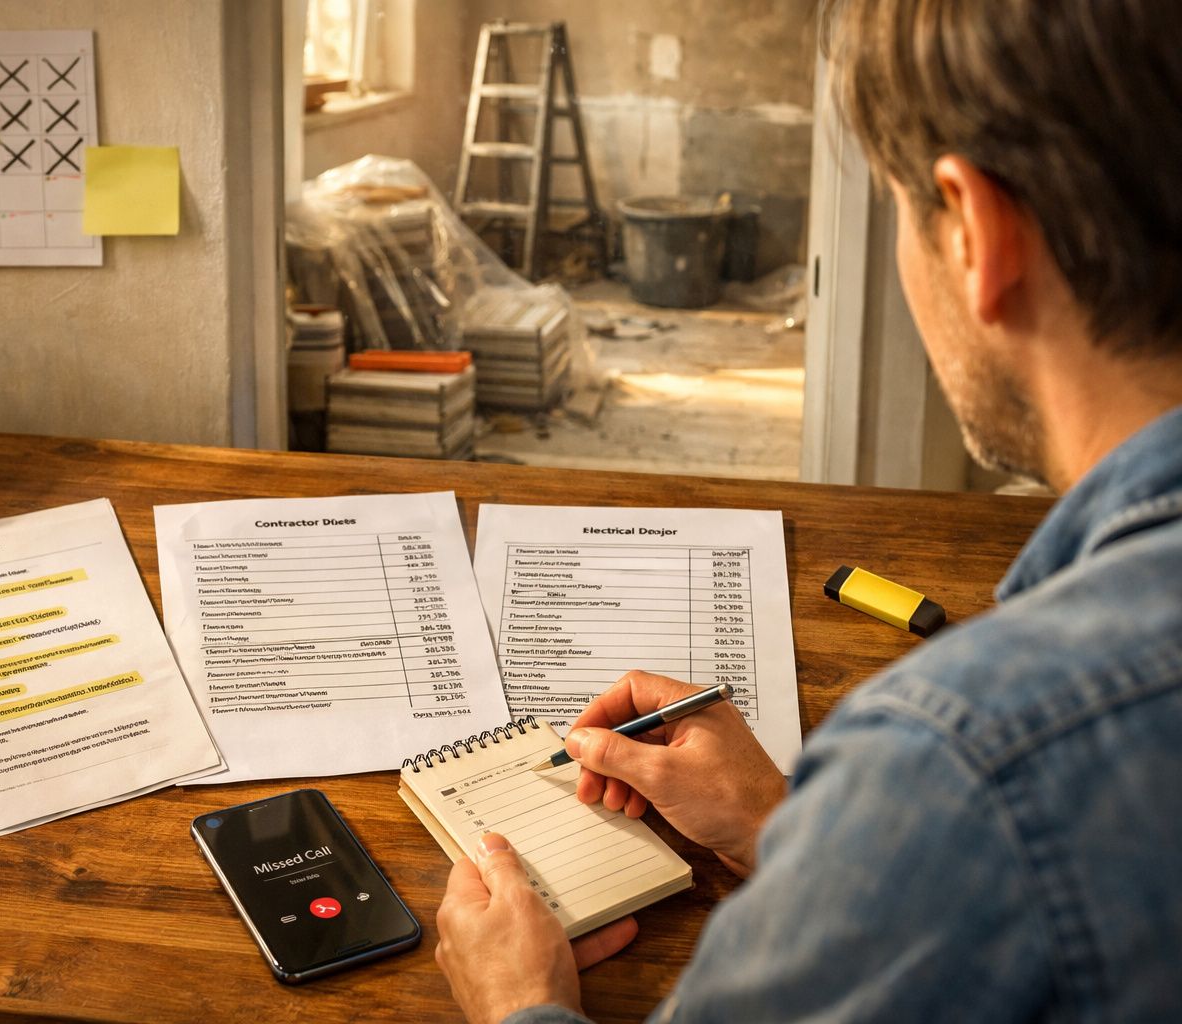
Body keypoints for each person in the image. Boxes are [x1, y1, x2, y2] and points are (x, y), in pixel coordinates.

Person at [433, 0, 1182, 1020]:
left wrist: (518, 1000)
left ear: (977, 233)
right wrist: (790, 827)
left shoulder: (966, 759)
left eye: (900, 214)